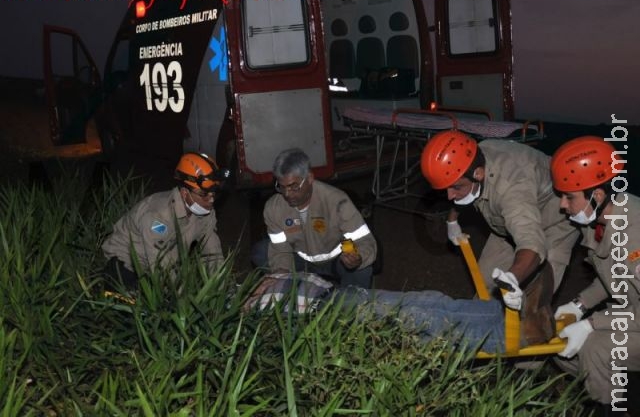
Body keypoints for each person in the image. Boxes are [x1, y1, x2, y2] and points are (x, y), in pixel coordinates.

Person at [420, 130, 579, 310]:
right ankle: (479, 330)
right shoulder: (470, 157)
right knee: (485, 284)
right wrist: (452, 220)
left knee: (535, 300)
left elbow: (532, 243)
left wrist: (513, 278)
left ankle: (528, 334)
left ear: (478, 174)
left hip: (555, 219)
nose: (450, 196)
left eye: (456, 187)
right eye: (446, 189)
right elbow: (460, 191)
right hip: (506, 220)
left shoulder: (512, 188)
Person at [242, 265, 555, 354]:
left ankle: (510, 316)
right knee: (425, 322)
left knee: (433, 300)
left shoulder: (270, 277)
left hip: (342, 296)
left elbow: (313, 278)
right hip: (332, 317)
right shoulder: (244, 308)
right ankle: (516, 337)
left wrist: (270, 279)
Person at [550, 135, 639, 413]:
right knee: (563, 344)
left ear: (597, 195)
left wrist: (592, 324)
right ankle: (621, 391)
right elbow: (615, 278)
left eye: (568, 197)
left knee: (596, 349)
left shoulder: (635, 235)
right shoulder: (595, 219)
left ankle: (609, 408)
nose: (562, 205)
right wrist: (580, 305)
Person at [102, 152, 230, 289]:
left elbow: (212, 255)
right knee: (153, 303)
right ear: (184, 193)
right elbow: (161, 268)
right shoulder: (158, 217)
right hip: (126, 263)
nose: (210, 200)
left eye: (214, 194)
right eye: (204, 194)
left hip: (161, 262)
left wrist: (225, 290)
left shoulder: (205, 213)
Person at [255, 148, 377, 288]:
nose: (287, 194)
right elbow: (280, 249)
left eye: (294, 187)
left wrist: (357, 258)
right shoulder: (274, 207)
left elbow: (365, 241)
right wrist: (280, 272)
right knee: (261, 251)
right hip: (300, 260)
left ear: (310, 178)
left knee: (362, 269)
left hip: (336, 260)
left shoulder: (337, 202)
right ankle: (295, 292)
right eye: (282, 187)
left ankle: (349, 304)